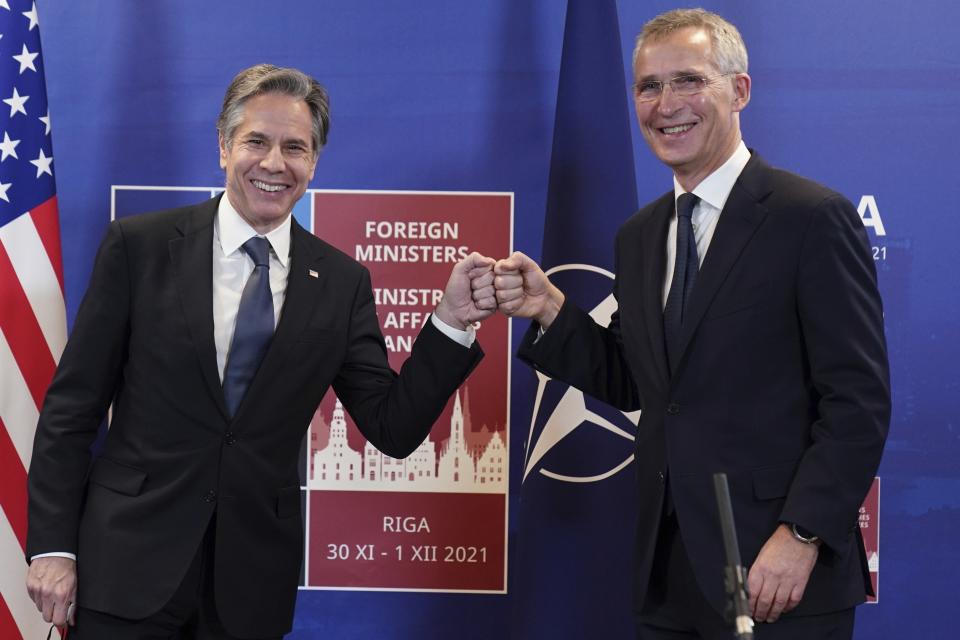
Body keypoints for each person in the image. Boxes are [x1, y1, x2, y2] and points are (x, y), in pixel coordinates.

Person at [25, 63, 497, 639]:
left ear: (314, 163)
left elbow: (392, 428)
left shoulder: (343, 281)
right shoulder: (140, 248)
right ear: (223, 147)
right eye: (256, 141)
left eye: (295, 147)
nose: (275, 164)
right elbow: (72, 409)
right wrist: (53, 547)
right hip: (126, 569)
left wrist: (450, 322)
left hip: (249, 592)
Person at [494, 9, 889, 639]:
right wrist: (551, 310)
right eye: (648, 87)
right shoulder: (640, 235)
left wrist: (803, 533)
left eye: (688, 81)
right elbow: (641, 382)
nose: (665, 104)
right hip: (668, 574)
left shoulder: (810, 217)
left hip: (778, 571)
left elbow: (858, 401)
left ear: (740, 91)